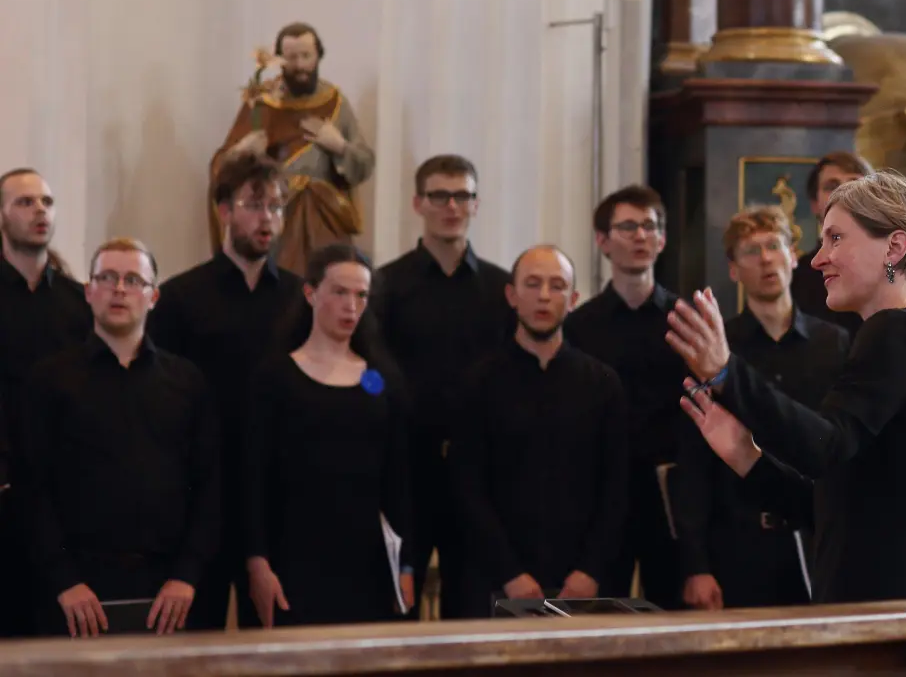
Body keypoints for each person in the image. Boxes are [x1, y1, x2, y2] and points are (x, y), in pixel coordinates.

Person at [667, 170, 906, 604]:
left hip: (892, 613)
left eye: (836, 238)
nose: (817, 259)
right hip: (904, 607)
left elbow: (823, 447)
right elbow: (833, 503)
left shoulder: (897, 332)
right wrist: (746, 457)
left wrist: (726, 373)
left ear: (895, 246)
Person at [19, 238, 220, 637]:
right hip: (75, 592)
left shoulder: (187, 381)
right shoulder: (48, 379)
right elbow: (31, 488)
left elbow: (210, 485)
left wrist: (187, 576)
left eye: (133, 280)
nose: (119, 289)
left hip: (169, 591)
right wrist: (64, 580)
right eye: (107, 278)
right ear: (89, 291)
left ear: (153, 296)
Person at [147, 154, 305, 630]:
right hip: (202, 491)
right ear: (224, 211)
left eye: (277, 207)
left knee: (276, 638)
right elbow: (160, 394)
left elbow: (337, 380)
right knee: (197, 636)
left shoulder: (302, 298)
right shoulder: (179, 298)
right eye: (255, 205)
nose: (268, 219)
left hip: (277, 495)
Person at [676, 207, 849, 611]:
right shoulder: (716, 349)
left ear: (793, 256)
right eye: (751, 251)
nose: (766, 259)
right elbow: (693, 464)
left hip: (816, 536)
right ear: (734, 270)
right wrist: (696, 565)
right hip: (738, 543)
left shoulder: (835, 343)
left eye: (774, 246)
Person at [242, 244, 413, 627]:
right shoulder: (275, 377)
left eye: (361, 295)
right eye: (340, 292)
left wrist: (406, 564)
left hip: (365, 560)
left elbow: (398, 478)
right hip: (293, 557)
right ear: (310, 293)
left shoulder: (378, 379)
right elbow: (252, 478)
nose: (351, 305)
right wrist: (257, 562)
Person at [452, 246, 627, 616]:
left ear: (574, 299)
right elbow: (466, 486)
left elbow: (617, 486)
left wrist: (590, 570)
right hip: (496, 579)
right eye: (532, 284)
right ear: (512, 296)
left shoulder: (602, 382)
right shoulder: (478, 381)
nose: (544, 296)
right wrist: (510, 573)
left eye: (557, 285)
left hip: (581, 582)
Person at [373, 155, 513, 618]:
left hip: (483, 473)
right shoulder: (385, 286)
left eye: (463, 196)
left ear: (476, 204)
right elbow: (371, 374)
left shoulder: (503, 289)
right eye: (440, 196)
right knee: (399, 607)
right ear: (419, 203)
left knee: (475, 608)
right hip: (409, 468)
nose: (452, 206)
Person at [563, 185, 684, 605]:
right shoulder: (578, 327)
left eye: (649, 226)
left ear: (662, 239)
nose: (640, 236)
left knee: (674, 623)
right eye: (628, 226)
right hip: (599, 496)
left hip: (670, 494)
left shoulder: (686, 319)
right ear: (602, 241)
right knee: (598, 618)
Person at [0, 168, 93, 636]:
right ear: (1, 216)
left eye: (47, 202)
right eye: (25, 202)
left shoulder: (81, 304)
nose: (40, 210)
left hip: (67, 500)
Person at [210, 22, 374, 276]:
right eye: (291, 58)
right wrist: (242, 151)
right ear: (278, 60)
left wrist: (339, 146)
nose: (299, 66)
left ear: (318, 56)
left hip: (323, 217)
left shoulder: (334, 102)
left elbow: (364, 163)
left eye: (306, 56)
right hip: (276, 220)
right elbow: (221, 168)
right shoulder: (261, 101)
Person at [789, 152, 873, 337]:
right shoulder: (796, 277)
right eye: (831, 186)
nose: (844, 192)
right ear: (814, 204)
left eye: (854, 183)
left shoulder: (891, 264)